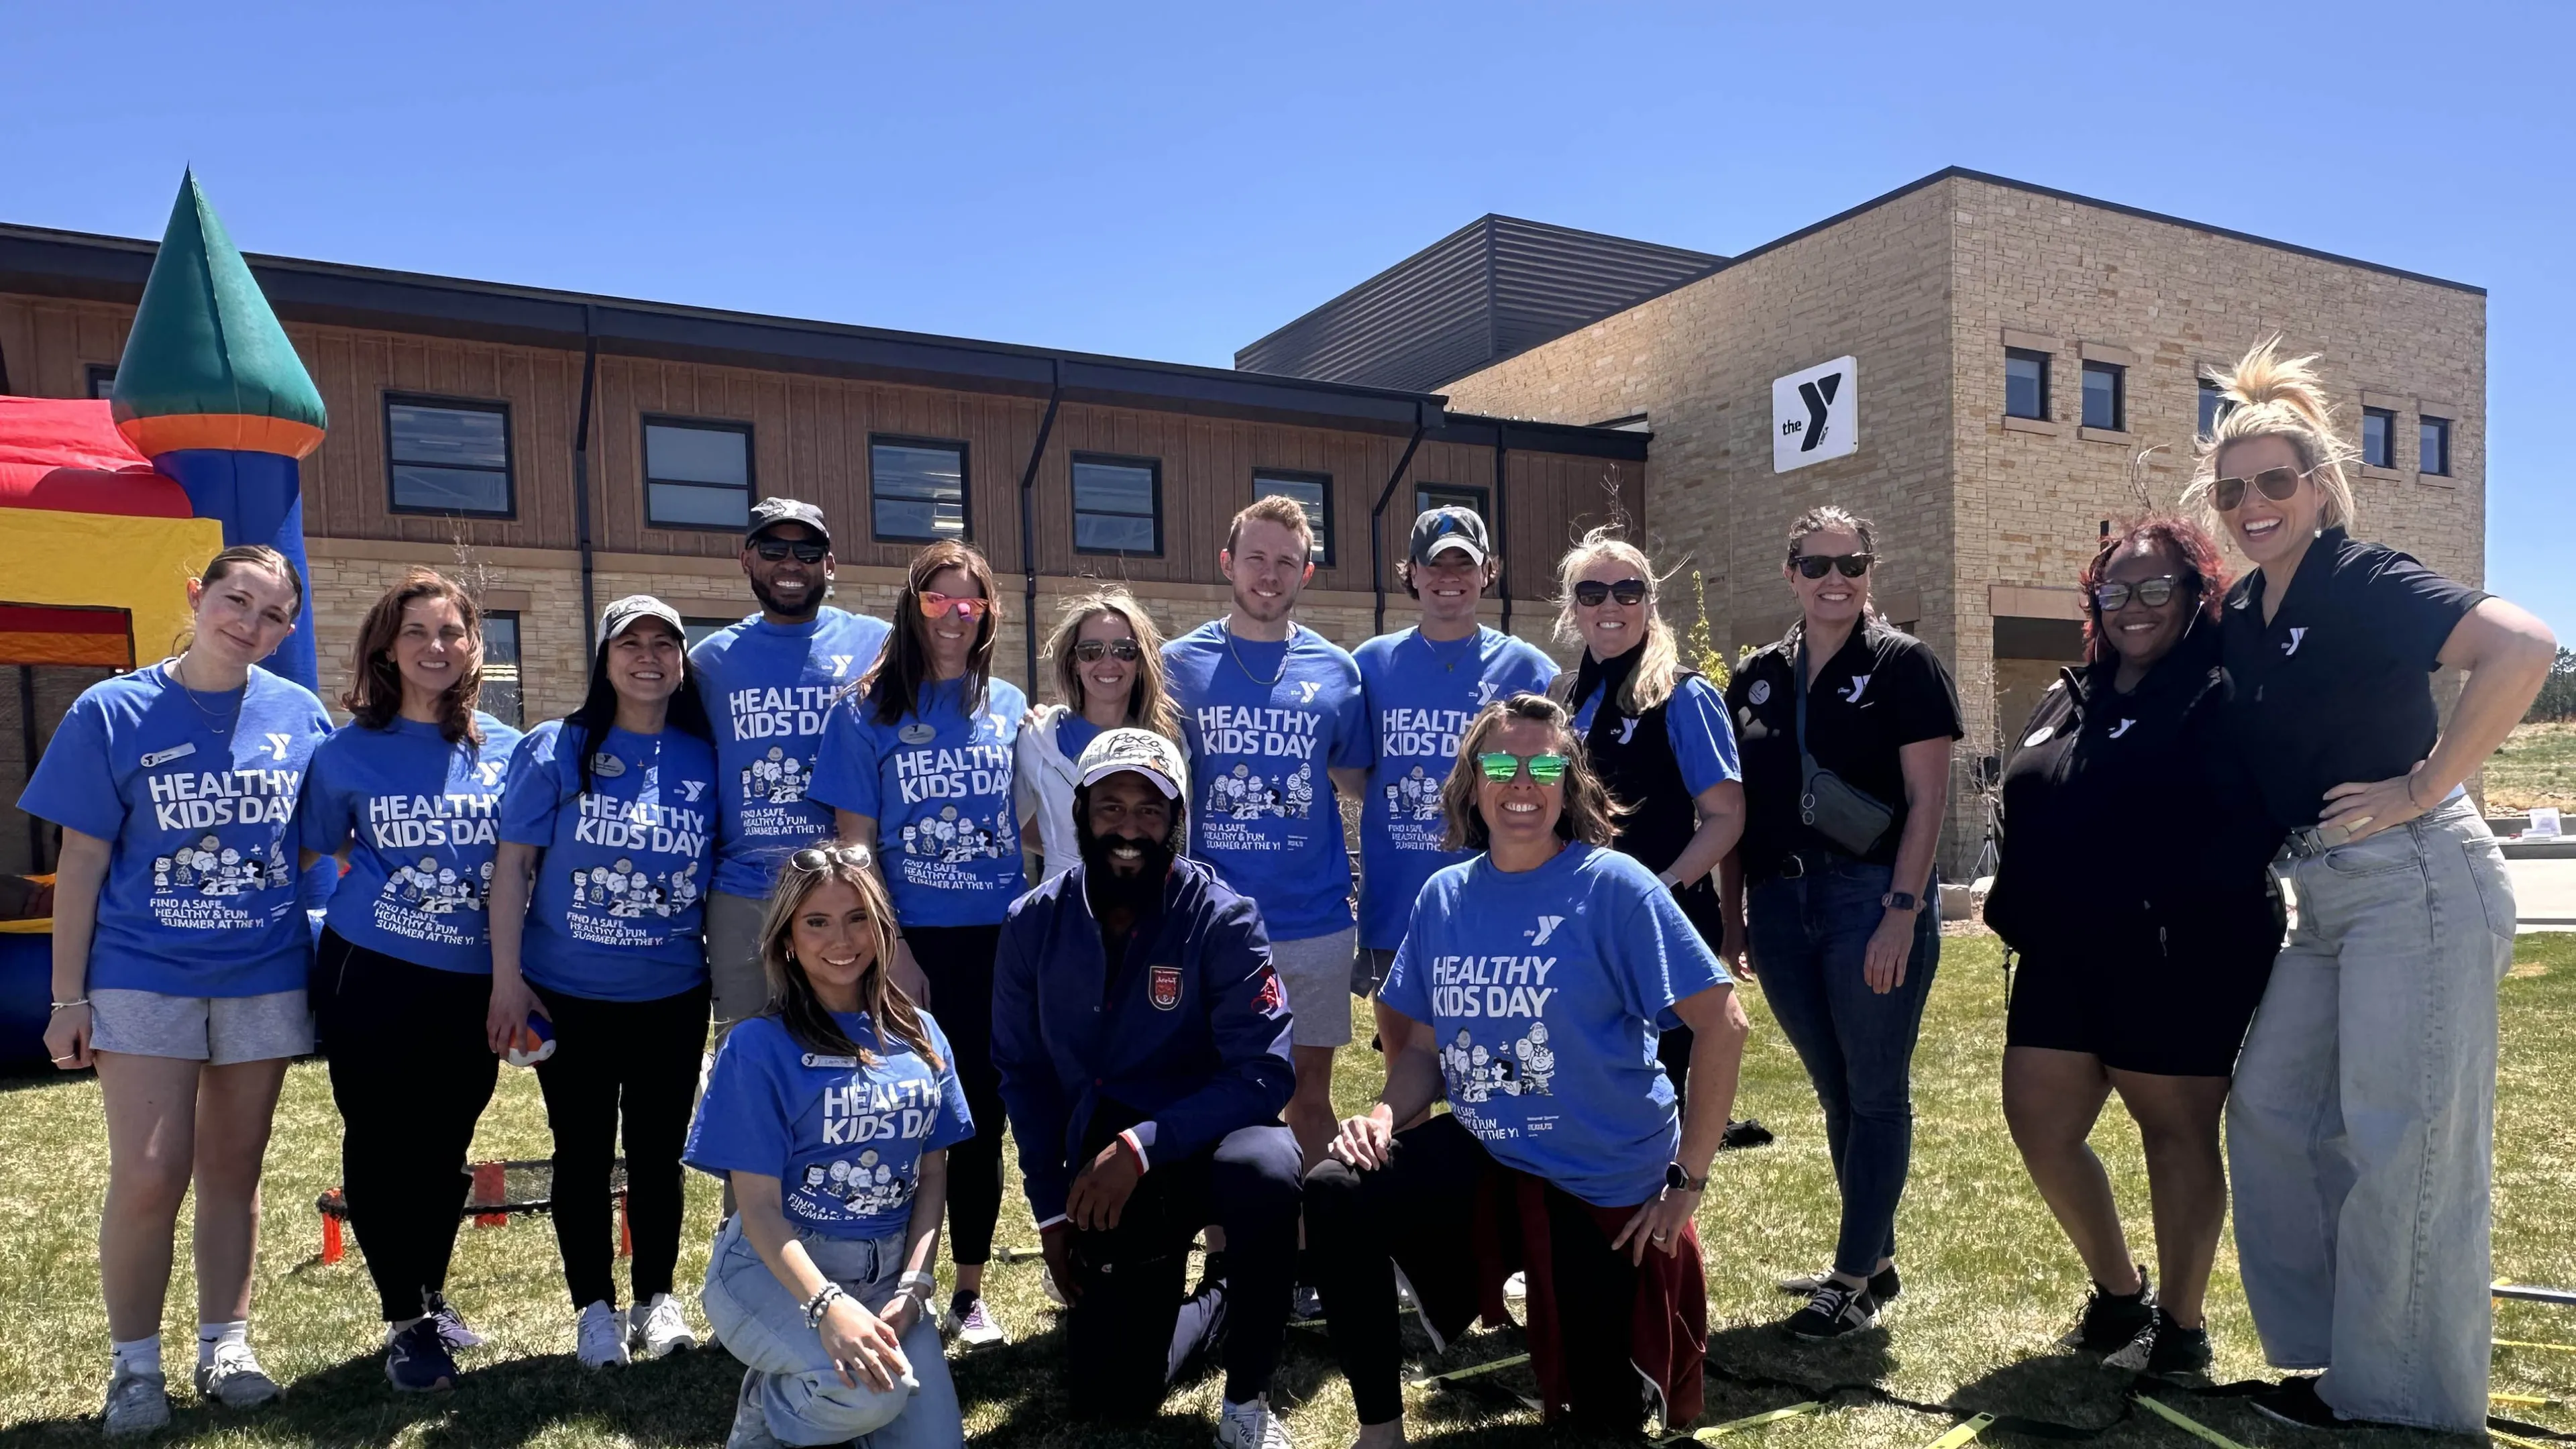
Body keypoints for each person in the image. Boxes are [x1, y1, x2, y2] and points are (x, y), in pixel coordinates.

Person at [2189, 340, 2552, 1434]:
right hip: (2316, 894)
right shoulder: (2242, 617)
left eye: (2276, 482)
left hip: (2417, 881)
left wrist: (2425, 783)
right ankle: (2339, 1357)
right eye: (2233, 488)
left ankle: (2404, 1407)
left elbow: (2523, 647)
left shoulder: (2362, 579)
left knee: (2411, 1144)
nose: (2254, 504)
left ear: (2319, 488)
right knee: (2273, 1113)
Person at [1305, 694, 1749, 1439]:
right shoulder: (1444, 897)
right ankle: (1378, 1429)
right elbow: (1422, 1050)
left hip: (1597, 1181)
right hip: (1492, 1155)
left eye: (1545, 764)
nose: (1523, 782)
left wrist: (1687, 1180)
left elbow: (1724, 1025)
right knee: (1335, 1188)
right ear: (1472, 783)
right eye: (1501, 764)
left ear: (1569, 783)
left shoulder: (1616, 887)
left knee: (1600, 1423)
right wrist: (1382, 1116)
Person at [23, 543, 333, 1436]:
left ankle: (225, 1345)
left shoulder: (296, 714)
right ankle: (134, 1367)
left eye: (275, 616)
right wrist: (67, 999)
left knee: (234, 1172)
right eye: (238, 600)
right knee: (152, 1172)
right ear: (198, 596)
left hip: (263, 975)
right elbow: (80, 863)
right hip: (141, 974)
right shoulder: (110, 711)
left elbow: (307, 837)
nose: (253, 624)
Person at [1982, 518, 2282, 1377]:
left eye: (2158, 588)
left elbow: (2248, 824)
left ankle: (2181, 1327)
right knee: (2039, 1123)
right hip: (2059, 953)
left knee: (2174, 1135)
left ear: (2196, 596)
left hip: (2176, 957)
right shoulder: (2069, 694)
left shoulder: (2221, 690)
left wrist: (2171, 903)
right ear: (2095, 603)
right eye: (2116, 591)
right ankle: (2120, 1293)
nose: (2136, 606)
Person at [990, 728, 1302, 1449]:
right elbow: (1023, 1075)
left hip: (1207, 1138)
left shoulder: (1223, 917)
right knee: (1112, 1397)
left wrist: (1142, 1145)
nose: (1129, 828)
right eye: (1111, 807)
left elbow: (1263, 1071)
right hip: (1113, 1161)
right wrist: (1050, 1214)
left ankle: (1248, 1397)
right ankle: (1215, 1304)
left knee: (1266, 1171)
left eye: (1150, 810)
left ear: (1176, 822)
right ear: (1080, 814)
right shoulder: (1032, 924)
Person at [1718, 505, 1961, 1340]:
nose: (1835, 580)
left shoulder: (1905, 664)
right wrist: (1734, 920)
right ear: (1789, 574)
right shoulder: (1754, 676)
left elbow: (1929, 799)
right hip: (1780, 904)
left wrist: (1901, 911)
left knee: (1877, 1091)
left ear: (1870, 572)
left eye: (1851, 564)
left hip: (1870, 898)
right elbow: (1735, 809)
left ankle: (1851, 1277)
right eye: (1816, 566)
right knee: (1835, 1089)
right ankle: (1874, 1259)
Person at [300, 568, 521, 1392]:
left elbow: (516, 869)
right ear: (388, 649)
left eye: (452, 633)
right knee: (383, 1142)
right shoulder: (347, 749)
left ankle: (430, 1292)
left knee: (447, 1146)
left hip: (470, 979)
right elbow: (320, 849)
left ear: (473, 647)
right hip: (372, 971)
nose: (436, 648)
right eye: (417, 633)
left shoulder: (501, 747)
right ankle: (405, 1321)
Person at [488, 594, 718, 1370]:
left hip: (673, 993)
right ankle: (594, 1308)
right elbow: (512, 868)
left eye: (665, 643)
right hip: (568, 994)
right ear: (605, 657)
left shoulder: (703, 755)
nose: (648, 656)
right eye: (632, 643)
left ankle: (657, 1298)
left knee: (659, 1154)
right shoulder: (558, 746)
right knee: (580, 1154)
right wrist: (507, 981)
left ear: (682, 660)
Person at [810, 541, 1024, 1346]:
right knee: (898, 1115)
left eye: (970, 603)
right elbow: (855, 846)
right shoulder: (866, 712)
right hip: (908, 945)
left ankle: (969, 1290)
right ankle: (890, 1279)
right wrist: (892, 948)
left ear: (987, 615)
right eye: (939, 600)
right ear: (914, 607)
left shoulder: (1004, 704)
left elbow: (1033, 819)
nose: (954, 616)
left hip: (999, 944)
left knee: (981, 1118)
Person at [688, 845, 972, 1449]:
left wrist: (915, 1287)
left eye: (857, 918)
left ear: (881, 925)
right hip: (778, 1273)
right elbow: (758, 1208)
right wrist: (826, 1308)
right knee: (872, 1394)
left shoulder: (922, 1036)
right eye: (816, 921)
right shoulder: (758, 1047)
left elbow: (933, 1175)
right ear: (788, 936)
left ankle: (828, 1411)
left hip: (890, 1274)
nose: (840, 939)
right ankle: (771, 1410)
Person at [1161, 495, 1371, 1162]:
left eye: (1287, 561)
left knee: (1307, 1095)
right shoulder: (1175, 665)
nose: (1270, 575)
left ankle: (1314, 1248)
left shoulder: (1339, 673)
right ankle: (1231, 1255)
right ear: (1228, 564)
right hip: (1209, 923)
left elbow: (1359, 782)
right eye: (1255, 558)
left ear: (1306, 573)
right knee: (1217, 1090)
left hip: (1312, 922)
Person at [1548, 528, 1742, 1109]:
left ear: (1650, 604)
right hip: (1574, 928)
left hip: (1661, 927)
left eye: (1628, 591)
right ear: (1572, 609)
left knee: (1651, 1101)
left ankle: (1669, 1202)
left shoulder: (1685, 695)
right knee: (1581, 1090)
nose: (1610, 605)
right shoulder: (1558, 698)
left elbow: (1727, 817)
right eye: (1592, 592)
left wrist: (1660, 888)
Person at [1352, 507, 1556, 1051]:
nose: (1449, 576)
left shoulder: (1529, 669)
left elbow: (1554, 777)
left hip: (1495, 899)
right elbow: (1353, 770)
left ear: (1487, 572)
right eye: (1434, 564)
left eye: (1464, 563)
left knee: (1497, 1067)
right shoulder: (1370, 665)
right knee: (1404, 1074)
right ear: (1412, 573)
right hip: (1398, 902)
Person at [690, 498, 892, 1046]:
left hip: (846, 890)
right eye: (774, 548)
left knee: (850, 1052)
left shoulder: (877, 645)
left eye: (807, 549)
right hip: (744, 894)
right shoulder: (709, 663)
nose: (790, 562)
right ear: (746, 559)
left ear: (830, 564)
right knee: (748, 1050)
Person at [1017, 588, 1184, 883]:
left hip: (1151, 912)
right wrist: (1064, 856)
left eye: (1124, 650)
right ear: (1074, 661)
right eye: (1091, 651)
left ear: (1140, 661)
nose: (1108, 663)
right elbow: (1010, 825)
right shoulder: (1037, 738)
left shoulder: (1169, 742)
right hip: (1065, 911)